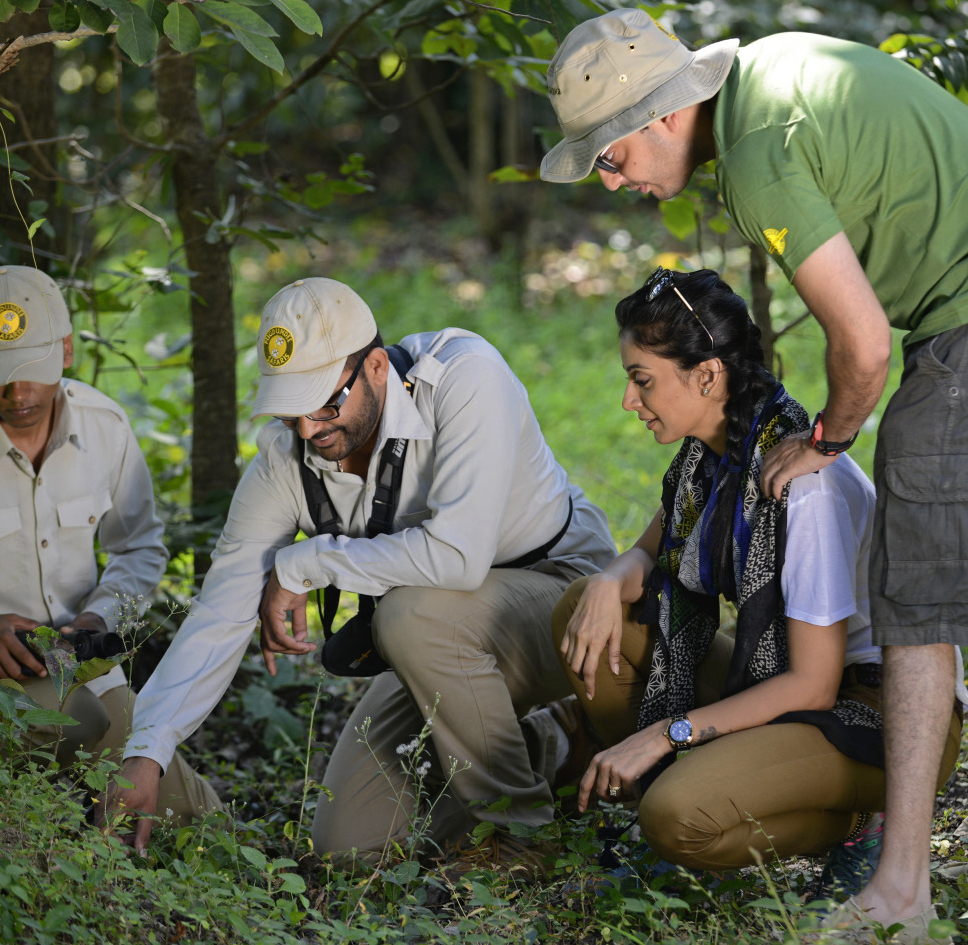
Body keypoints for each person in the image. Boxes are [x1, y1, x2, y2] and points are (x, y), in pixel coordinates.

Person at [541, 10, 968, 945]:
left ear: (656, 116)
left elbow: (864, 342)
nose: (617, 183)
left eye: (609, 158)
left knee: (919, 598)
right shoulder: (776, 76)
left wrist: (830, 439)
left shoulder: (760, 147)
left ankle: (901, 888)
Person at [108, 278, 617, 868]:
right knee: (348, 846)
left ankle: (525, 836)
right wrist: (145, 753)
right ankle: (556, 739)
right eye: (290, 409)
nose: (307, 428)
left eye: (325, 401)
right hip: (445, 645)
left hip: (566, 604)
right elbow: (221, 611)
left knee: (410, 615)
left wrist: (304, 562)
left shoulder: (464, 378)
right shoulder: (287, 460)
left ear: (376, 366)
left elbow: (458, 557)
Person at [556, 267, 967, 874]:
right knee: (588, 609)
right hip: (788, 680)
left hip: (879, 711)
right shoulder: (710, 456)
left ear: (706, 374)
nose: (628, 401)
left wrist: (667, 733)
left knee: (676, 818)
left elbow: (813, 686)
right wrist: (606, 580)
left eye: (641, 381)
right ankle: (711, 779)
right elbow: (646, 555)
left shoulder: (802, 485)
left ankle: (863, 824)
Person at [0, 265, 219, 822]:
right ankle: (1, 822)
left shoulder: (105, 426)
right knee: (73, 715)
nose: (16, 391)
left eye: (32, 369)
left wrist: (100, 618)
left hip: (82, 667)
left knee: (192, 815)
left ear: (67, 350)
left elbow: (141, 547)